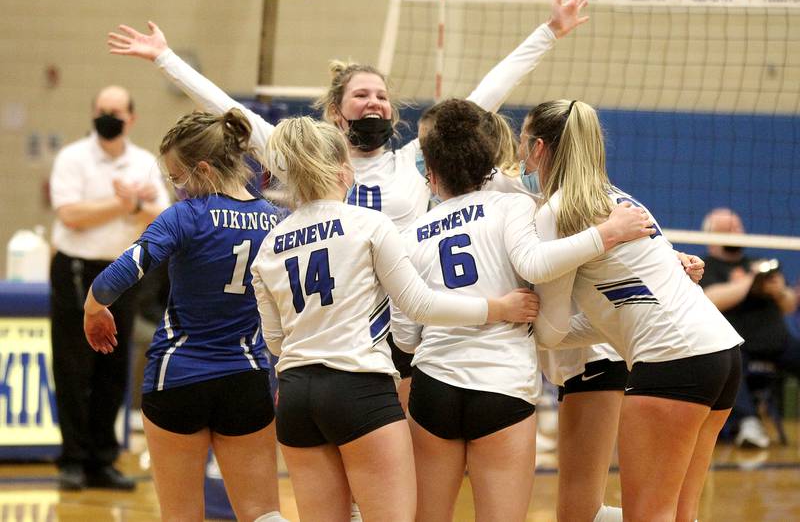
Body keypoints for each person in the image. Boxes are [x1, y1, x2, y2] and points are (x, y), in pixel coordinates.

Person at [106, 0, 592, 406]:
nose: (374, 102)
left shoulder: (413, 164)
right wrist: (165, 59)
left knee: (398, 454)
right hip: (333, 326)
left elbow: (484, 99)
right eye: (361, 95)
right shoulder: (306, 160)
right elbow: (233, 112)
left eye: (381, 95)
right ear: (336, 111)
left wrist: (548, 32)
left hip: (406, 319)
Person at [249, 116, 541, 522]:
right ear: (344, 169)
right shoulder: (368, 224)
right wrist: (497, 308)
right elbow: (419, 306)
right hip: (358, 389)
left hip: (296, 396)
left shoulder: (269, 246)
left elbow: (275, 341)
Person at [389, 99, 655, 522]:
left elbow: (403, 337)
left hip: (434, 385)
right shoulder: (517, 208)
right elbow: (540, 265)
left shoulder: (407, 236)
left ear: (430, 173)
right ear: (492, 163)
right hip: (502, 385)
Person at [522, 99, 743, 522]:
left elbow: (551, 331)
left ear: (537, 148)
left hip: (673, 360)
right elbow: (622, 307)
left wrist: (512, 321)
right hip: (721, 353)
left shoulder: (557, 211)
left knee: (649, 515)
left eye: (522, 145)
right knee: (680, 513)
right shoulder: (624, 200)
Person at [83, 109, 288, 522]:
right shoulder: (277, 219)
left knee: (181, 516)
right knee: (262, 512)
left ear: (205, 169)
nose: (175, 187)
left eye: (177, 176)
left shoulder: (185, 215)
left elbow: (115, 277)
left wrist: (93, 307)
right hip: (246, 378)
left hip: (177, 377)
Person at [48, 85, 170, 491]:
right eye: (101, 110)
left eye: (115, 111)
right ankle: (72, 459)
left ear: (131, 118)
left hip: (124, 273)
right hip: (76, 270)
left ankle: (103, 460)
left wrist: (135, 206)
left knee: (112, 369)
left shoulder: (143, 162)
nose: (108, 117)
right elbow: (71, 216)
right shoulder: (73, 157)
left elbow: (163, 221)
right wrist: (126, 204)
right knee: (72, 366)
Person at [699, 208, 799, 448]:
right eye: (727, 229)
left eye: (737, 227)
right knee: (729, 363)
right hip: (737, 345)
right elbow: (709, 299)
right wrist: (747, 282)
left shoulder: (760, 263)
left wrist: (779, 291)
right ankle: (748, 424)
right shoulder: (704, 266)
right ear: (711, 236)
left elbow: (788, 306)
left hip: (778, 342)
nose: (735, 232)